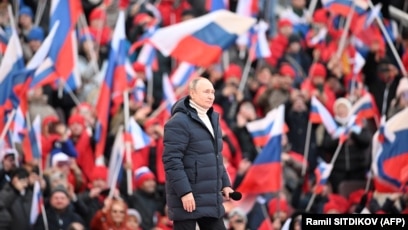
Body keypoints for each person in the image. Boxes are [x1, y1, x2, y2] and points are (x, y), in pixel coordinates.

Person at [163, 77, 234, 230]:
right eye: (206, 92)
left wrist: (225, 184)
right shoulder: (178, 122)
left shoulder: (213, 119)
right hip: (187, 199)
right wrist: (185, 192)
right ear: (192, 94)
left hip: (210, 197)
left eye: (213, 92)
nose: (211, 96)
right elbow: (172, 160)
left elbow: (216, 157)